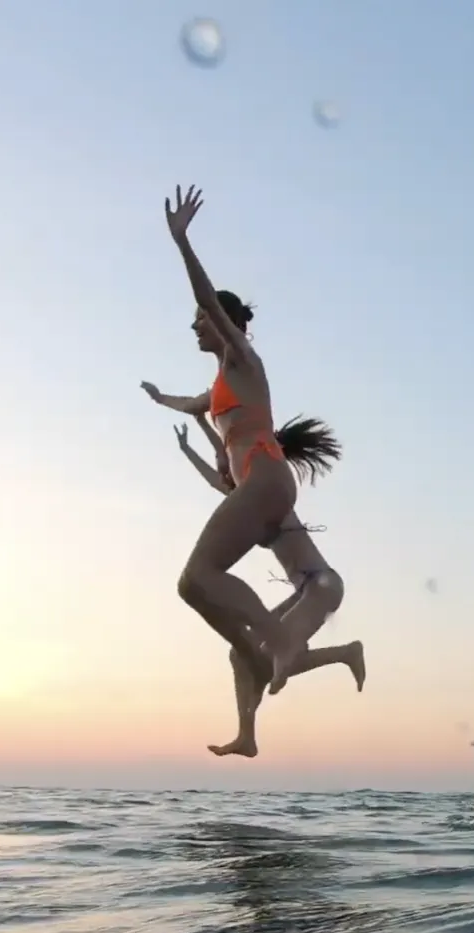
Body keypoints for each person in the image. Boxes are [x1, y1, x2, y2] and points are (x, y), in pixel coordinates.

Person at [139, 184, 305, 695]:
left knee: (198, 575)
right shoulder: (219, 386)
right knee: (195, 586)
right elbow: (191, 405)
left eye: (200, 322)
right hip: (257, 485)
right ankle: (259, 658)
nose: (194, 328)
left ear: (223, 324)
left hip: (266, 479)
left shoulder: (243, 360)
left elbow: (206, 297)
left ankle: (277, 644)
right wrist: (160, 397)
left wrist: (182, 243)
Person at [170, 411, 368, 758]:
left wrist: (207, 427)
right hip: (306, 590)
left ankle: (345, 653)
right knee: (239, 653)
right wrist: (190, 444)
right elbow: (221, 475)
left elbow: (230, 463)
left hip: (323, 586)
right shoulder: (250, 500)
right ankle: (247, 736)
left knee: (273, 656)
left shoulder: (270, 501)